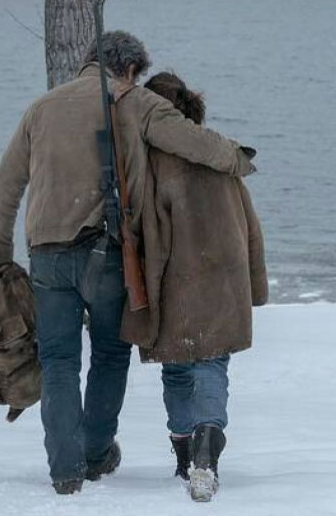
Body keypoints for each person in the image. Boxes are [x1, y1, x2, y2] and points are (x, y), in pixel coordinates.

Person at [0, 32, 256, 495]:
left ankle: (65, 470)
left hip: (47, 255)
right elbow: (190, 141)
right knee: (109, 355)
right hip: (105, 251)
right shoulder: (129, 102)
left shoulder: (41, 108)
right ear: (129, 70)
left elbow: (4, 188)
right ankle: (95, 452)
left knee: (58, 359)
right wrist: (237, 159)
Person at [127, 72, 268, 503]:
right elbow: (250, 227)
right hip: (224, 277)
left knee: (177, 368)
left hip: (177, 280)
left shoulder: (153, 164)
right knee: (212, 365)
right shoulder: (222, 155)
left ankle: (185, 450)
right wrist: (255, 286)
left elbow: (151, 233)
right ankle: (208, 445)